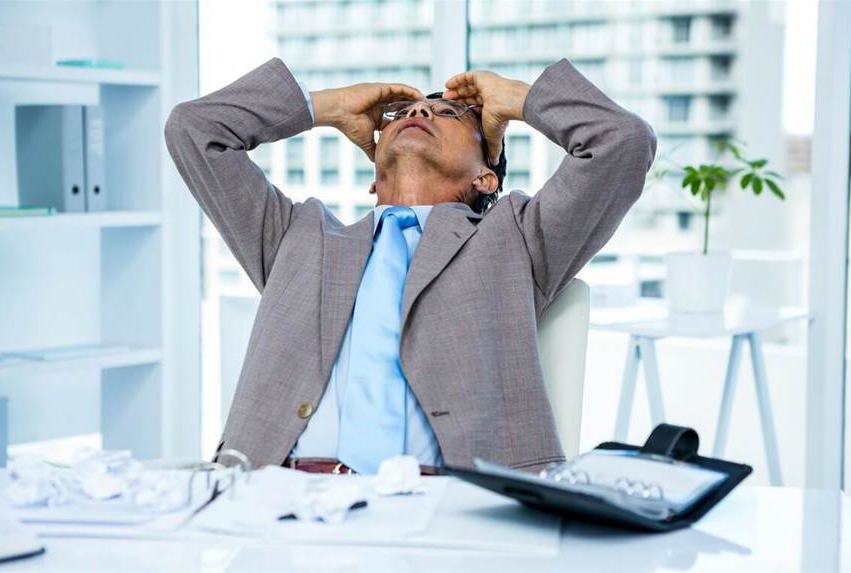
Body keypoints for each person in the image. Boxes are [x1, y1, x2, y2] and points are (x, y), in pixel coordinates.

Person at [164, 56, 657, 475]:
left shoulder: (516, 238)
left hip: (456, 502)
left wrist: (516, 98)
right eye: (400, 114)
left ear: (486, 178)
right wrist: (326, 107)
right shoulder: (297, 235)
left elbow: (623, 142)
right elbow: (195, 130)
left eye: (449, 114)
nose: (418, 110)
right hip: (279, 496)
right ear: (373, 178)